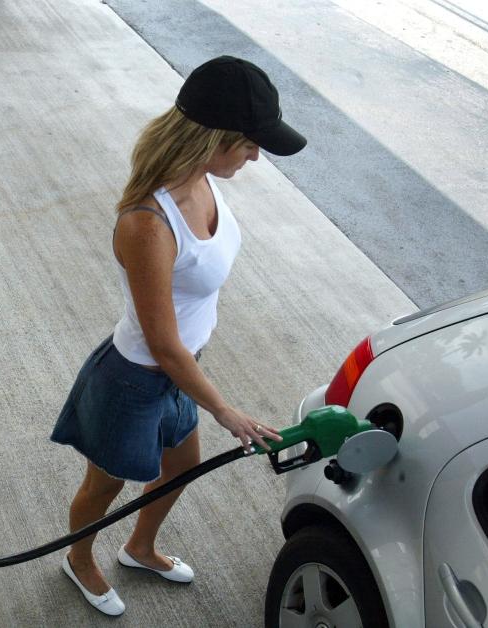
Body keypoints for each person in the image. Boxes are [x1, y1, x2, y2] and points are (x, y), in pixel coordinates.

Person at [50, 56, 305, 616]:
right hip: (137, 379)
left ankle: (140, 548)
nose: (257, 155)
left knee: (181, 468)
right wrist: (226, 411)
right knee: (104, 487)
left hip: (180, 373)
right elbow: (162, 343)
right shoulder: (148, 222)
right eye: (248, 145)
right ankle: (79, 559)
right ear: (213, 140)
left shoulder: (205, 181)